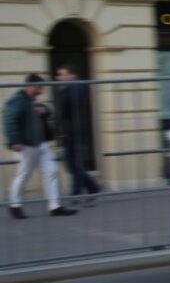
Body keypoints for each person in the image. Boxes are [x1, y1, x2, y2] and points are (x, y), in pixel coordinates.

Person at [3, 74, 76, 218]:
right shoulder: (18, 101)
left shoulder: (32, 101)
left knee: (52, 171)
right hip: (27, 145)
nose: (41, 90)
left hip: (41, 143)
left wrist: (45, 110)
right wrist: (14, 141)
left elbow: (48, 111)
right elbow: (9, 120)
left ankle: (55, 206)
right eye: (40, 87)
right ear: (31, 86)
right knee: (23, 175)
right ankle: (14, 204)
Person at [55, 65, 101, 203]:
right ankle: (90, 188)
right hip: (68, 132)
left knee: (74, 164)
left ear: (71, 75)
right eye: (58, 75)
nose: (58, 78)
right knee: (72, 165)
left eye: (62, 75)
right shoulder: (67, 89)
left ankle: (78, 193)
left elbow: (71, 110)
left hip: (74, 132)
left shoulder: (75, 88)